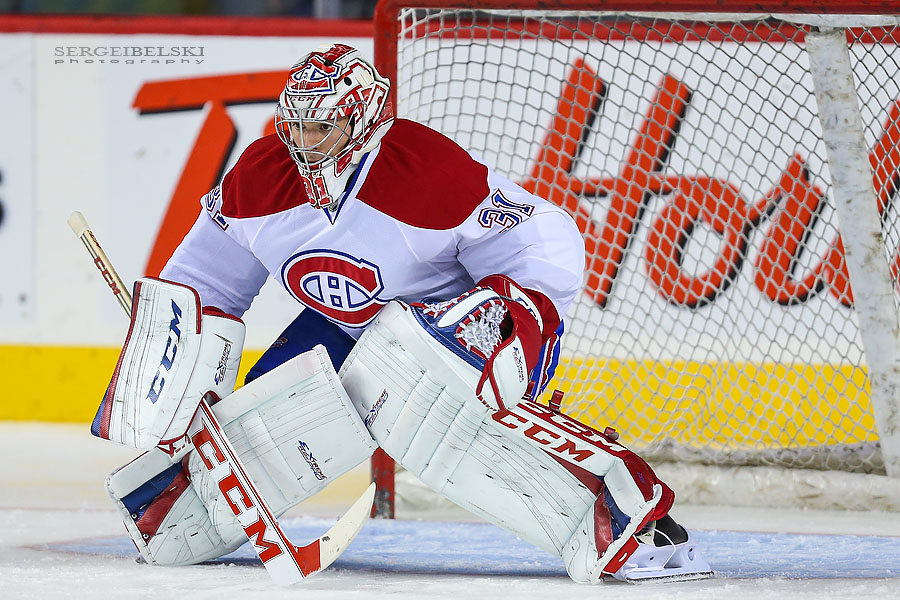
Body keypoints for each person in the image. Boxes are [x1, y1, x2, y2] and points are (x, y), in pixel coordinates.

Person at [106, 43, 710, 583]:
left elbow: (542, 238)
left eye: (322, 128)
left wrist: (516, 313)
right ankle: (182, 512)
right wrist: (182, 373)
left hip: (457, 325)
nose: (305, 144)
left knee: (408, 380)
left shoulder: (425, 173)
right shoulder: (259, 180)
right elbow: (203, 284)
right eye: (297, 126)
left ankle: (631, 520)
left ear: (362, 121)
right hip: (343, 328)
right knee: (259, 429)